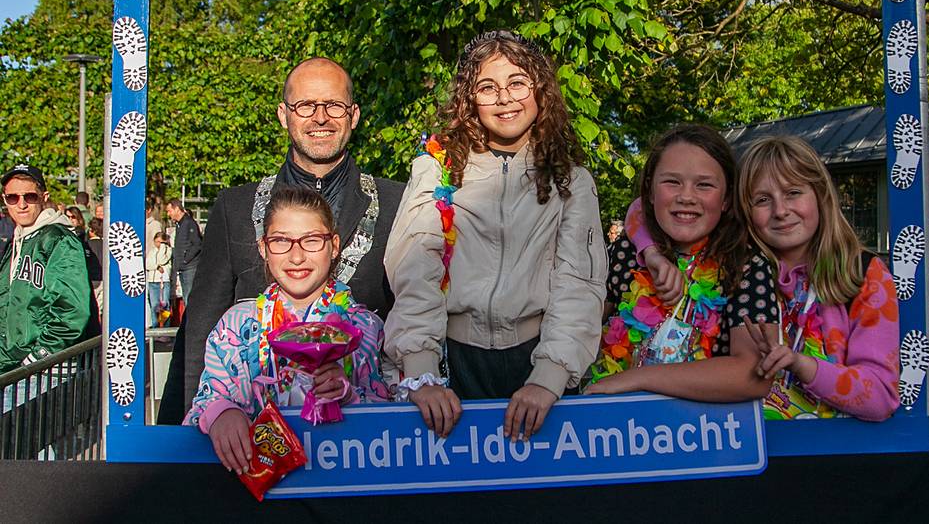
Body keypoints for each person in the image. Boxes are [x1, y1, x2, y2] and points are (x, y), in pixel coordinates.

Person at [384, 30, 606, 440]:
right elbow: (414, 271)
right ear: (470, 99)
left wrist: (549, 378)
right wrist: (421, 373)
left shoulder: (570, 181)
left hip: (537, 359)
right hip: (452, 361)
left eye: (517, 83)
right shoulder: (438, 170)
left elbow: (578, 285)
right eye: (488, 87)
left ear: (540, 90)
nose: (504, 98)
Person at [158, 57, 404, 425]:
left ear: (353, 115)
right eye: (305, 105)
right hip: (251, 438)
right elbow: (201, 326)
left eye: (334, 105)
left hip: (358, 435)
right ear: (283, 114)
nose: (320, 117)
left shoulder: (397, 203)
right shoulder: (235, 208)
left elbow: (414, 319)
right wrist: (191, 433)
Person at [184, 187, 389, 474]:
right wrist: (221, 414)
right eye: (281, 240)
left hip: (338, 479)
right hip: (255, 484)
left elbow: (390, 422)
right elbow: (206, 401)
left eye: (312, 240)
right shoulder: (236, 326)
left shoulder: (364, 329)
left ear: (334, 246)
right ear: (263, 247)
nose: (296, 257)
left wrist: (348, 396)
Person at [584, 124, 779, 402]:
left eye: (704, 185)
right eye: (672, 182)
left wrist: (638, 379)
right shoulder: (627, 252)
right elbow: (579, 325)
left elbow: (754, 374)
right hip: (618, 423)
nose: (686, 196)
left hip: (702, 424)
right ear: (651, 192)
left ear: (726, 199)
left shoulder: (745, 265)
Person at [736, 136, 900, 421]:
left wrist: (802, 365)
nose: (780, 211)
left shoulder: (862, 273)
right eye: (762, 200)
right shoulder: (737, 274)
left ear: (820, 195)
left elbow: (880, 398)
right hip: (746, 441)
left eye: (793, 192)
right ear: (746, 212)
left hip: (830, 445)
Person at [0, 165, 95, 373]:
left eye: (30, 197)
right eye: (13, 198)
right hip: (13, 365)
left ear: (44, 197)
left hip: (46, 370)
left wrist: (39, 355)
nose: (22, 204)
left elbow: (72, 310)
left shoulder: (59, 239)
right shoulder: (17, 241)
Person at [166, 198, 202, 306]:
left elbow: (197, 244)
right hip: (183, 267)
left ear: (177, 209)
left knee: (189, 298)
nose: (168, 214)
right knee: (186, 297)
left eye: (169, 211)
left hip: (190, 267)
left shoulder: (189, 223)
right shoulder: (179, 224)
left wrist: (185, 259)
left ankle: (192, 317)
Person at [146, 231, 173, 327]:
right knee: (154, 306)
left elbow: (162, 259)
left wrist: (163, 247)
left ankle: (165, 327)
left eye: (161, 242)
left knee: (164, 304)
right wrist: (157, 267)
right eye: (157, 242)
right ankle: (155, 326)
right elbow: (147, 264)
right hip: (153, 281)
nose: (158, 244)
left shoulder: (168, 250)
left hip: (163, 281)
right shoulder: (151, 251)